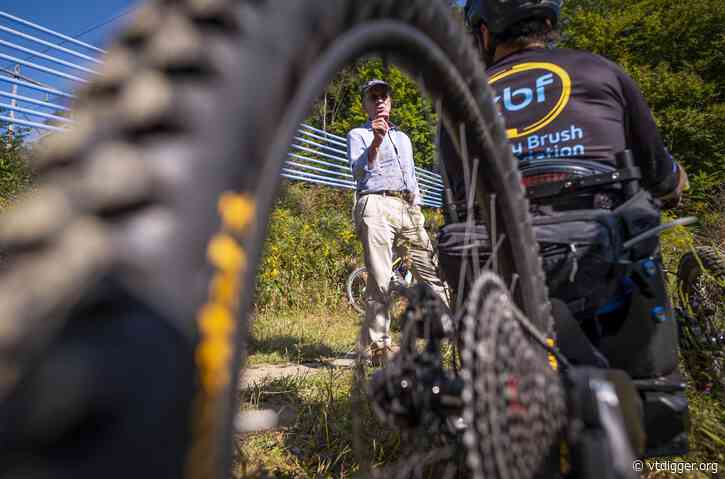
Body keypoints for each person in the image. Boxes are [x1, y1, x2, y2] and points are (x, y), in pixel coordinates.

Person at [348, 79, 448, 363]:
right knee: (380, 278)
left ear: (390, 103)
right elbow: (358, 172)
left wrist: (416, 206)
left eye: (384, 97)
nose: (380, 101)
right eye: (373, 97)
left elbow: (411, 174)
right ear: (365, 105)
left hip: (406, 207)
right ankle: (380, 347)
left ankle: (446, 331)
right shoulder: (358, 134)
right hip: (375, 202)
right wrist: (376, 143)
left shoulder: (404, 138)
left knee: (432, 270)